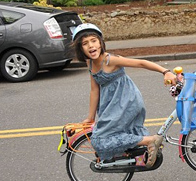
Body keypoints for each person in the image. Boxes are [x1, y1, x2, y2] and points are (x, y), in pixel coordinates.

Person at [72, 23, 179, 167]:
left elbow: (140, 63)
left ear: (100, 43)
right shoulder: (90, 63)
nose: (91, 46)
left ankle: (150, 141)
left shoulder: (110, 60)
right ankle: (138, 159)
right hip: (111, 103)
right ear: (80, 48)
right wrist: (90, 117)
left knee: (101, 138)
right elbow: (94, 89)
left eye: (94, 41)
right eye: (85, 43)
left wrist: (165, 71)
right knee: (116, 134)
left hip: (126, 102)